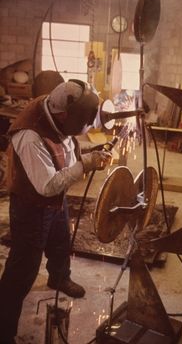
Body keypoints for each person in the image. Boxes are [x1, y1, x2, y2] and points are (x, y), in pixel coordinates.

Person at [0, 81, 111, 343]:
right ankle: (3, 330)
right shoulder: (29, 136)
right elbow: (47, 185)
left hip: (53, 197)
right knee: (22, 269)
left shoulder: (57, 111)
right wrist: (84, 166)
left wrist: (88, 155)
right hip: (30, 204)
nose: (85, 126)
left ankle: (59, 278)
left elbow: (67, 145)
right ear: (65, 116)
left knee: (61, 239)